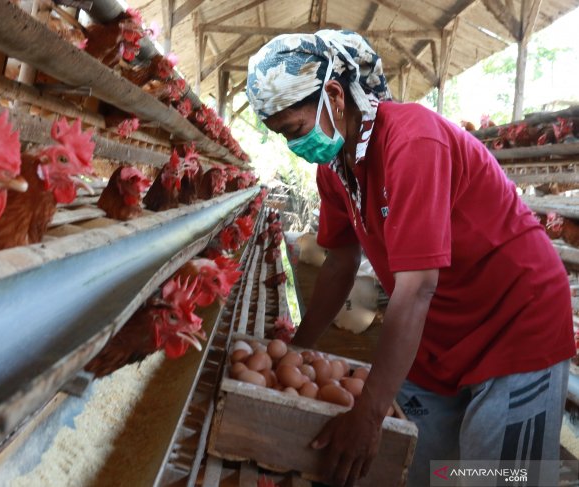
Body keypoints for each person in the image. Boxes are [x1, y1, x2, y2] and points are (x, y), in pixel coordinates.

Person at [246, 30, 575, 487]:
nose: (292, 146)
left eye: (295, 130)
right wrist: (297, 350)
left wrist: (369, 413)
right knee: (430, 470)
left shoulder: (412, 141)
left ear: (335, 96)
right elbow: (340, 264)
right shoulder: (336, 169)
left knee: (498, 477)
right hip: (438, 337)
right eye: (282, 135)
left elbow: (417, 286)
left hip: (514, 325)